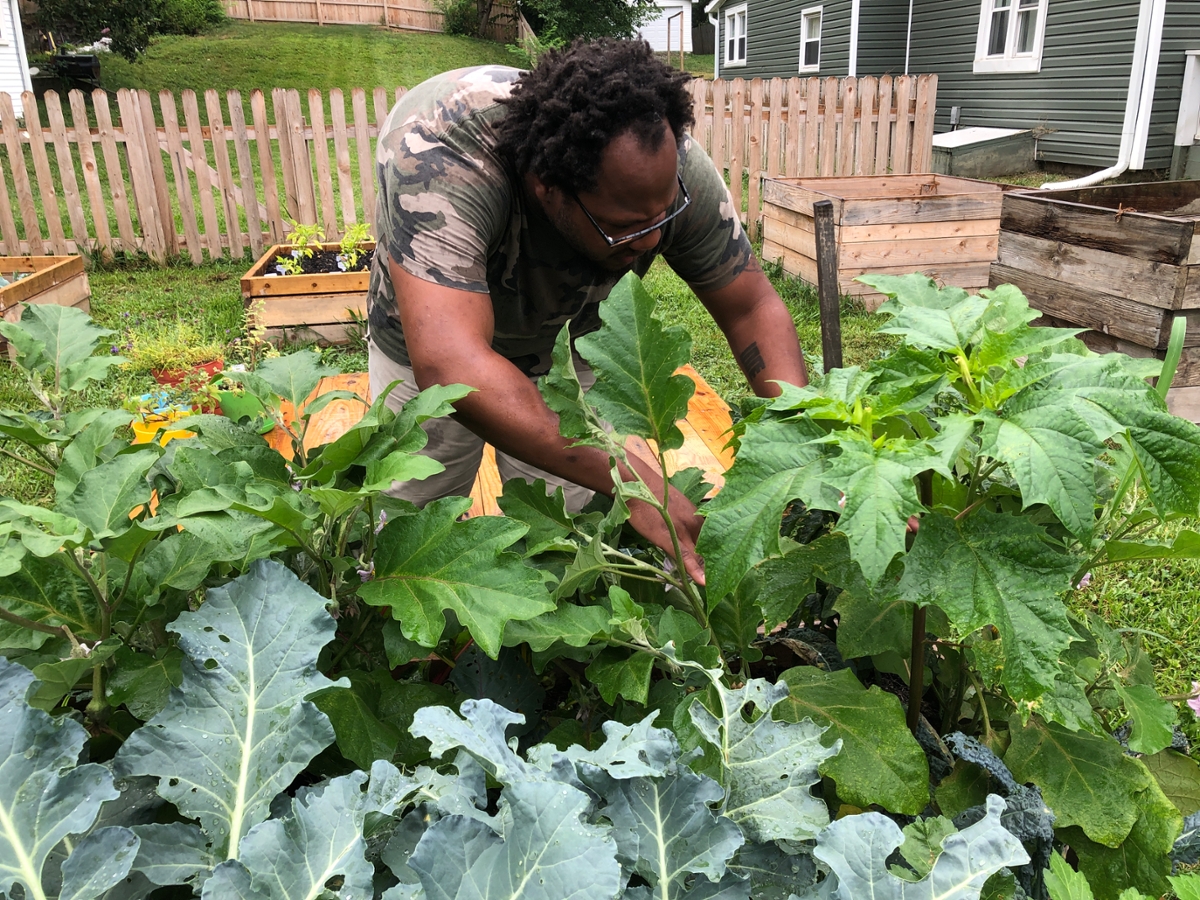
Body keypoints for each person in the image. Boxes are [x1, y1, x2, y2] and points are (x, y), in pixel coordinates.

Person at [366, 38, 808, 586]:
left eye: (663, 217)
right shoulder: (440, 152)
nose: (650, 241)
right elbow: (451, 365)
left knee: (579, 546)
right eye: (623, 227)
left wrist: (811, 440)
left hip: (562, 343)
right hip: (430, 350)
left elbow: (751, 306)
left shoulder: (664, 167)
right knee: (407, 548)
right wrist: (636, 482)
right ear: (545, 187)